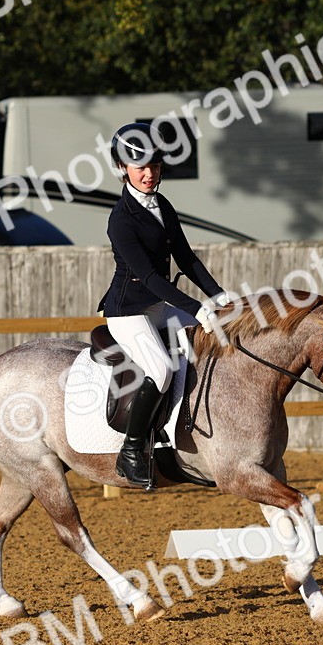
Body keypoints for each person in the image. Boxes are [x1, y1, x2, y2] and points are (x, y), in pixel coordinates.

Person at [97, 122, 232, 490]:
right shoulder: (120, 219)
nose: (148, 173)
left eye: (154, 165)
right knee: (159, 369)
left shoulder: (162, 205)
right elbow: (149, 277)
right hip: (129, 311)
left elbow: (186, 257)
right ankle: (131, 449)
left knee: (216, 339)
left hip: (160, 302)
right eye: (140, 166)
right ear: (122, 168)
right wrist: (195, 305)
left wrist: (217, 295)